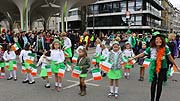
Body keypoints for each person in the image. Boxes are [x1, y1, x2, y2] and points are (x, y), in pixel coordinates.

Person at [129, 33, 180, 101]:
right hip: (153, 67)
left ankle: (157, 99)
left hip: (163, 67)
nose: (158, 41)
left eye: (160, 39)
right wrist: (133, 57)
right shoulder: (151, 48)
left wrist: (176, 66)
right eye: (156, 39)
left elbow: (170, 58)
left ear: (162, 40)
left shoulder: (166, 48)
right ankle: (152, 99)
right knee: (153, 84)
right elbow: (142, 54)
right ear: (154, 41)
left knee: (159, 84)